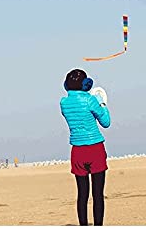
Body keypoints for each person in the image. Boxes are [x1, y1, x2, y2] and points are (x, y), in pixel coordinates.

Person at [60, 69, 111, 226]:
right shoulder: (90, 100)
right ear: (86, 85)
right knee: (98, 194)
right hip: (95, 148)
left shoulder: (63, 103)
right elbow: (106, 122)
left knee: (82, 195)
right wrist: (101, 103)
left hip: (77, 151)